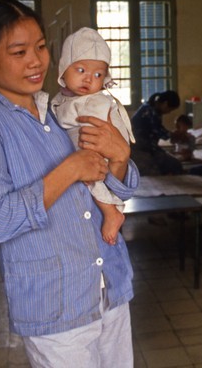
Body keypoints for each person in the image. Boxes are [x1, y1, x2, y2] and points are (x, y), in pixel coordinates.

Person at [0, 0, 139, 367]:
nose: (35, 61)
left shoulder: (62, 106)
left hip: (108, 286)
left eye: (41, 47)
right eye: (18, 52)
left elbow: (120, 188)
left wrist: (121, 157)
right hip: (56, 305)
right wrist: (70, 169)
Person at [51, 27, 135, 245]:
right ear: (63, 70)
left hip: (97, 151)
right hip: (90, 148)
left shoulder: (96, 100)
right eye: (81, 70)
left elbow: (77, 124)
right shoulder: (64, 98)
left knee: (91, 177)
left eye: (98, 75)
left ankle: (111, 211)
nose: (89, 79)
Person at [130, 90, 183, 175]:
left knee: (175, 165)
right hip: (138, 149)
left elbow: (158, 130)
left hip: (150, 148)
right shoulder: (149, 110)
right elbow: (158, 130)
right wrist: (174, 135)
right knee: (154, 173)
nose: (169, 112)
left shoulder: (154, 109)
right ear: (165, 104)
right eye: (170, 109)